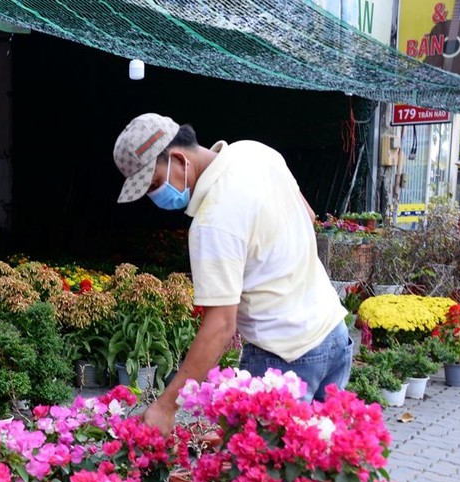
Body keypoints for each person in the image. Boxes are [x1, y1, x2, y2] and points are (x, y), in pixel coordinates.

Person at [113, 113, 352, 435]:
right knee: (318, 471)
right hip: (334, 334)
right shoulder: (255, 151)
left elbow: (221, 327)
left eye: (154, 184)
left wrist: (166, 405)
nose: (154, 197)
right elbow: (307, 216)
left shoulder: (212, 221)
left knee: (257, 480)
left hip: (284, 358)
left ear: (179, 159)